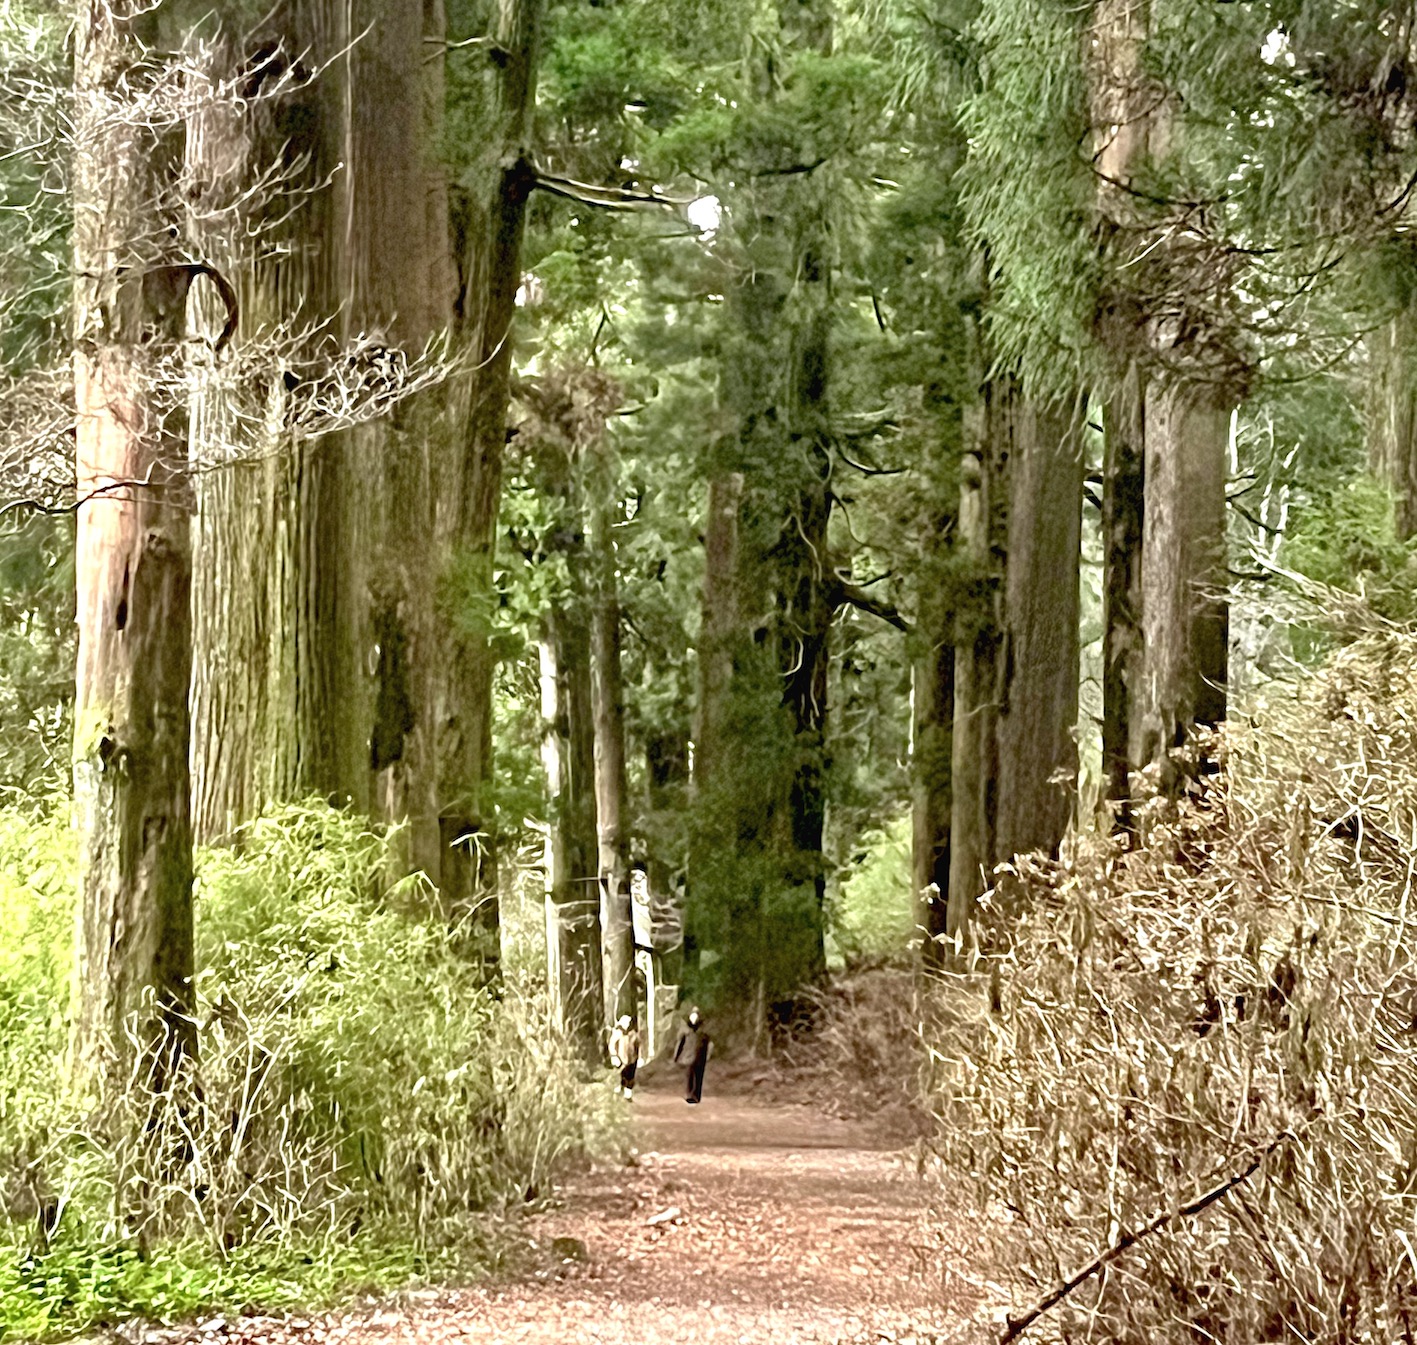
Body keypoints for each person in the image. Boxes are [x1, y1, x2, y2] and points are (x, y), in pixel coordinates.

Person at [673, 1006, 711, 1105]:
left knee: (698, 1076)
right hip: (688, 1056)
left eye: (696, 1017)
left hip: (700, 1057)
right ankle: (689, 1095)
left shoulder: (703, 1030)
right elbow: (680, 1043)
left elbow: (708, 1043)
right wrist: (676, 1056)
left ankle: (696, 1096)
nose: (694, 1019)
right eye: (692, 1017)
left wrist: (707, 1055)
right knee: (689, 1076)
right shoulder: (685, 1030)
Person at [608, 1014, 640, 1101]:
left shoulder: (633, 1034)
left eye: (629, 1022)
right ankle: (619, 1089)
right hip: (620, 1058)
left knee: (630, 1075)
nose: (628, 1024)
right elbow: (612, 1045)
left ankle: (627, 1094)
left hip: (631, 1058)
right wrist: (614, 1056)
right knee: (622, 1074)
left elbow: (637, 1045)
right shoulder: (618, 1032)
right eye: (626, 1022)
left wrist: (638, 1056)